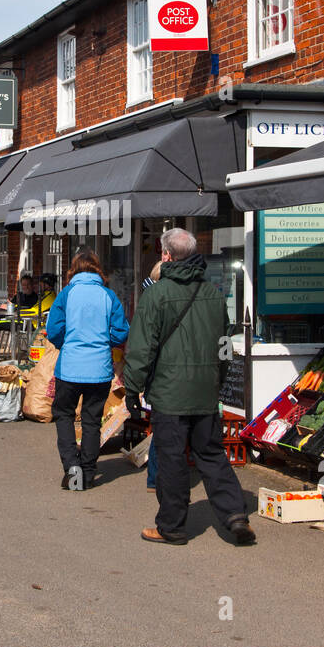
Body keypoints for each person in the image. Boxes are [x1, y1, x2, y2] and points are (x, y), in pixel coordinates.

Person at [122, 228, 255, 546]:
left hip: (170, 393)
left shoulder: (156, 294)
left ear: (166, 255)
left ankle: (172, 526)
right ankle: (235, 514)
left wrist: (132, 388)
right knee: (211, 454)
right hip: (205, 389)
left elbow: (142, 348)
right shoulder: (213, 293)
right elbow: (225, 345)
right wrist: (218, 380)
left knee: (171, 458)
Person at [45, 250, 129, 491]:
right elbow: (121, 331)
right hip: (99, 368)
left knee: (64, 416)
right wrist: (105, 341)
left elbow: (54, 330)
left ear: (73, 269)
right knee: (92, 422)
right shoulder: (108, 296)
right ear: (97, 269)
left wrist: (66, 344)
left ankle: (73, 470)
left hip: (70, 367)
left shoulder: (66, 294)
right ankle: (89, 473)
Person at [139, 260, 163, 491]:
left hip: (157, 374)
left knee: (161, 426)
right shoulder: (160, 298)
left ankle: (155, 478)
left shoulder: (149, 297)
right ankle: (156, 477)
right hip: (167, 373)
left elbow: (143, 344)